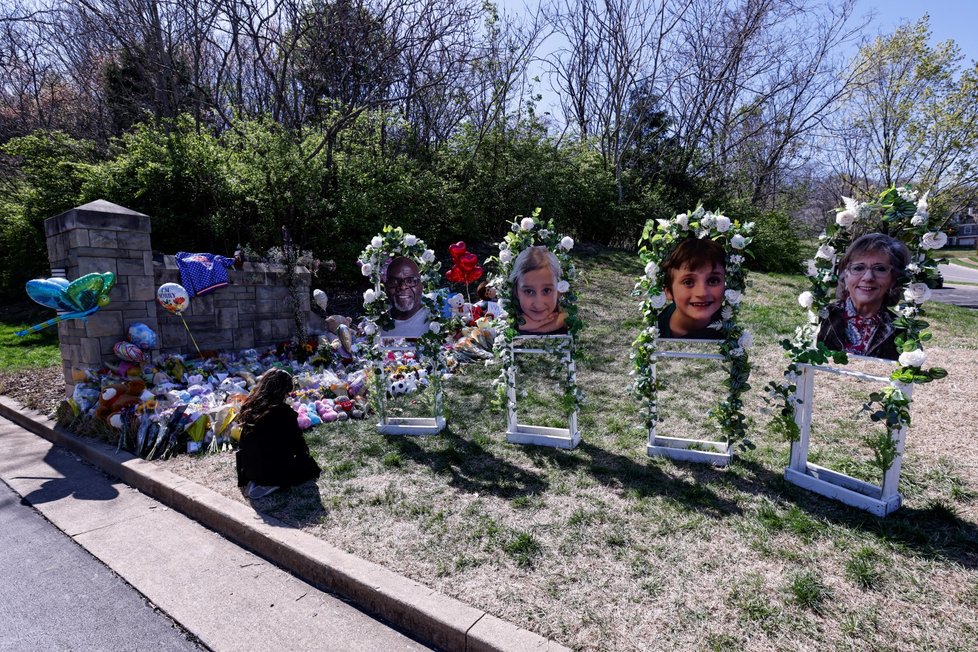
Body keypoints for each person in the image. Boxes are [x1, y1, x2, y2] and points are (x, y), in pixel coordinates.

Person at [817, 232, 910, 360]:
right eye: (859, 268)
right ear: (846, 274)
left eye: (880, 269)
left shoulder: (901, 330)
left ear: (893, 279)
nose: (868, 278)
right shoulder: (822, 316)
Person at [235, 369, 321, 500]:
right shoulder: (284, 412)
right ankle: (271, 484)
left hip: (248, 469)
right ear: (283, 392)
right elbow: (298, 444)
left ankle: (259, 480)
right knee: (310, 468)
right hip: (271, 470)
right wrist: (305, 459)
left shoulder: (250, 407)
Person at [658, 237, 726, 339]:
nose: (702, 293)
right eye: (688, 282)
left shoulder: (728, 333)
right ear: (668, 291)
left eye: (713, 281)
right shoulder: (657, 328)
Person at [510, 246, 568, 334]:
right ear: (516, 292)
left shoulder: (568, 319)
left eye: (546, 290)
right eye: (529, 291)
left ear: (558, 291)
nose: (538, 304)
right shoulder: (503, 322)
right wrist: (515, 323)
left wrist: (544, 327)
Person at [381, 256, 430, 338]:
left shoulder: (438, 320)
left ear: (422, 285)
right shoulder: (374, 324)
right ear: (386, 287)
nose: (403, 287)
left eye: (410, 280)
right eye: (394, 281)